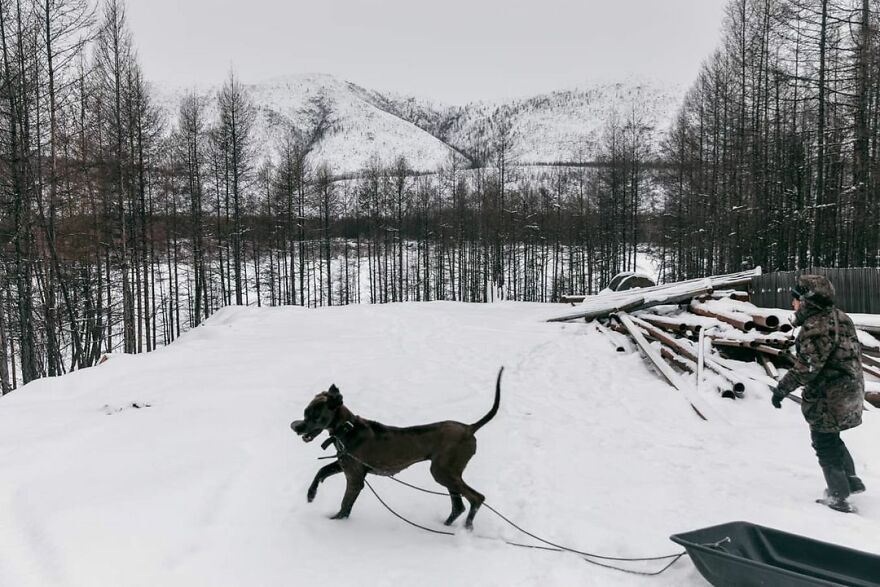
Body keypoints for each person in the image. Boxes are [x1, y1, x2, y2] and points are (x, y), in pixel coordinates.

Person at [771, 274, 865, 513]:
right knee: (832, 437)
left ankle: (838, 496)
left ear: (806, 301)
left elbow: (807, 368)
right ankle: (851, 480)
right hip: (849, 389)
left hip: (829, 395)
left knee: (823, 441)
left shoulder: (815, 327)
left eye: (795, 299)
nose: (793, 304)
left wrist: (781, 389)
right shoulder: (842, 318)